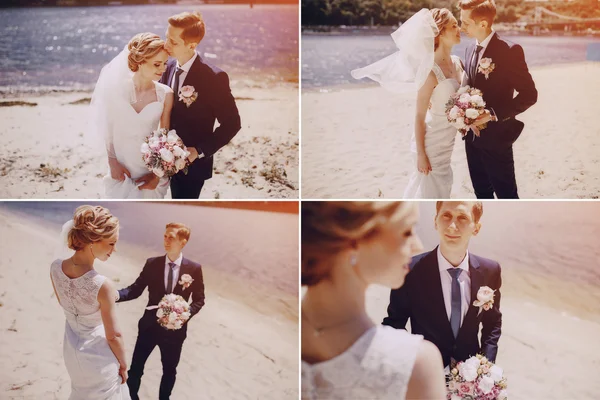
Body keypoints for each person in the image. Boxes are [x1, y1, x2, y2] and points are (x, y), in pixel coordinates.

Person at [301, 201, 446, 400]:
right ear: (354, 241)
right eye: (406, 232)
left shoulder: (281, 325)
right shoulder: (416, 364)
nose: (417, 246)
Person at [383, 201, 503, 367]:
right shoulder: (409, 270)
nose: (452, 226)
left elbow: (493, 323)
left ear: (476, 228)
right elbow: (394, 324)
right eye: (446, 216)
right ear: (435, 221)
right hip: (424, 373)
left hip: (470, 377)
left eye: (462, 218)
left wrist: (485, 365)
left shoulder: (490, 270)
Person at [116, 222, 205, 400]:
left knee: (169, 371)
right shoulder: (152, 263)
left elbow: (199, 300)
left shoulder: (194, 268)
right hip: (149, 326)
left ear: (183, 242)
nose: (165, 240)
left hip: (175, 332)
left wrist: (183, 315)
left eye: (170, 237)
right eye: (164, 236)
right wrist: (115, 295)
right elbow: (135, 289)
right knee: (136, 369)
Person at [50, 205, 131, 399]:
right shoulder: (102, 285)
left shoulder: (55, 268)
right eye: (111, 243)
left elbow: (64, 304)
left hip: (71, 354)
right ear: (93, 241)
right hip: (99, 359)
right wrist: (123, 365)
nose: (114, 250)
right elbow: (114, 336)